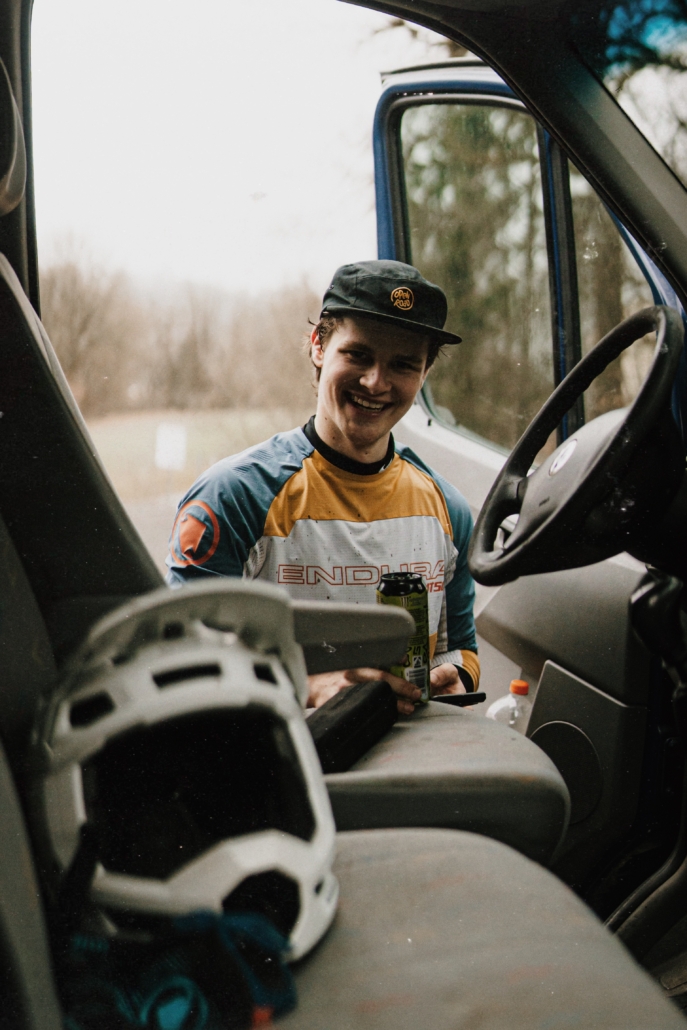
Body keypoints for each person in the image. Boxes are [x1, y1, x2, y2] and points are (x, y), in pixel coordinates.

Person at [166, 260, 479, 713]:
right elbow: (179, 664)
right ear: (318, 345)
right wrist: (308, 687)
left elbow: (461, 650)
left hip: (412, 752)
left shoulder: (449, 509)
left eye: (403, 364)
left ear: (425, 374)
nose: (376, 382)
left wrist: (455, 676)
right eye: (358, 355)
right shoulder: (234, 496)